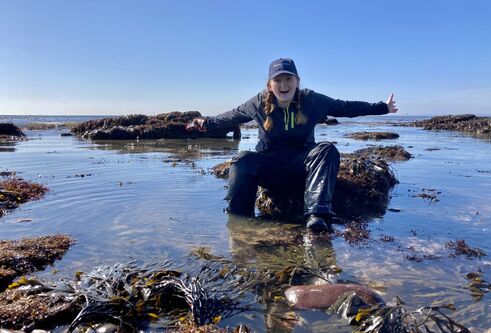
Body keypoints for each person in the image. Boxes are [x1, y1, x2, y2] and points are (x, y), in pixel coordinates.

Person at [187, 58, 398, 232]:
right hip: (270, 168)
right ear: (269, 84)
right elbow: (232, 116)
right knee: (242, 159)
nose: (284, 84)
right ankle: (238, 220)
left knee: (326, 149)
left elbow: (345, 107)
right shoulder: (258, 102)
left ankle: (317, 216)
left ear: (297, 81)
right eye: (278, 80)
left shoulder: (312, 100)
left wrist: (382, 108)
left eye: (288, 78)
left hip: (302, 169)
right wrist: (205, 123)